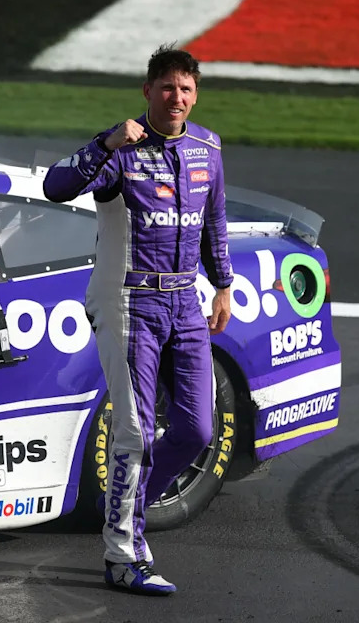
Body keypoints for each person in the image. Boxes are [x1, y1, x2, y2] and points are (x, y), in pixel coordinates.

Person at [43, 44, 233, 595]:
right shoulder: (121, 149)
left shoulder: (207, 148)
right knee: (134, 429)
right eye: (167, 87)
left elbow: (214, 219)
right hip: (128, 302)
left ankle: (123, 507)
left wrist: (222, 284)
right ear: (147, 91)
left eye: (187, 89)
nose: (177, 98)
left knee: (198, 427)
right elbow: (56, 186)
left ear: (195, 96)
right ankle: (122, 555)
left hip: (185, 302)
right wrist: (105, 141)